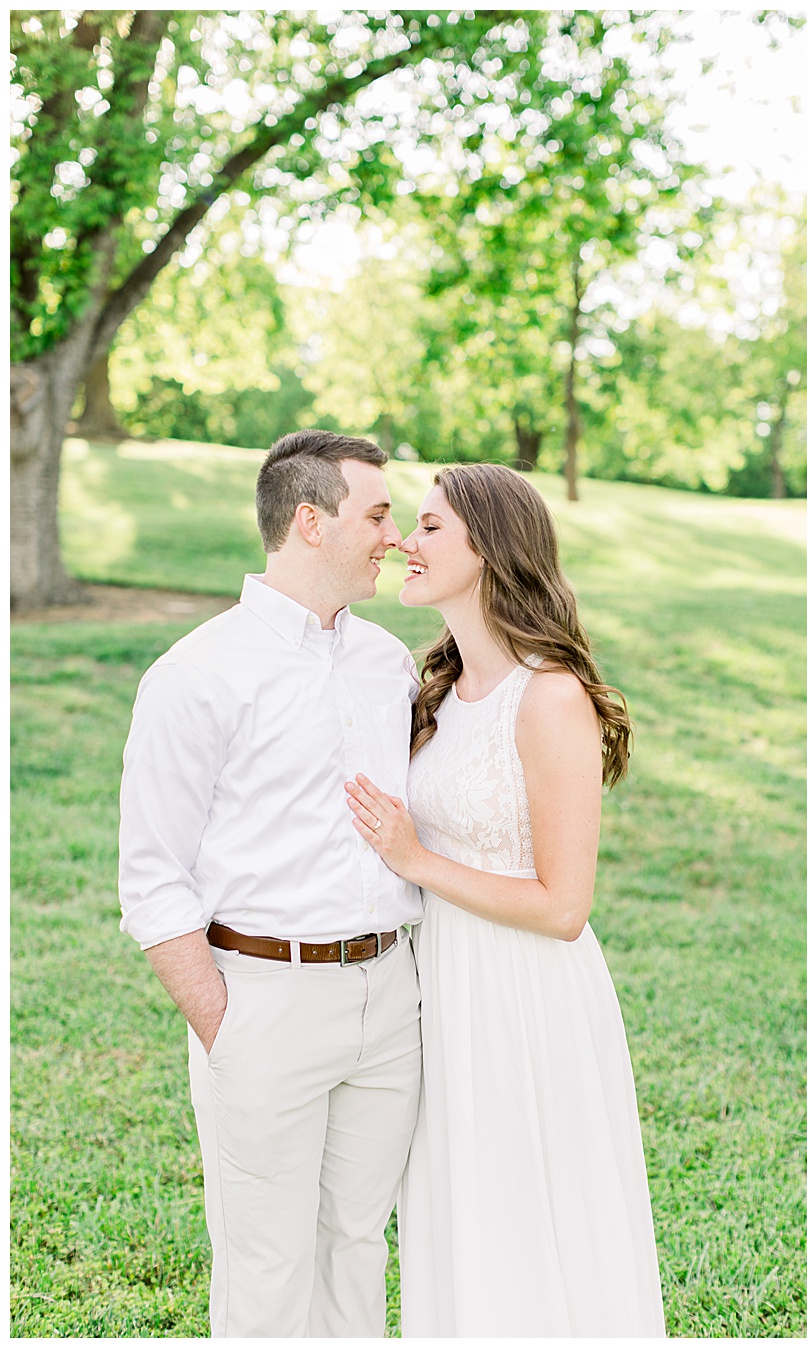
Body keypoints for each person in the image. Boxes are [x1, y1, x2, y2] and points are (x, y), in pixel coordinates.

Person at [343, 462, 664, 1336]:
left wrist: (416, 859)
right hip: (438, 985)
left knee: (529, 1214)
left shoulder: (550, 696)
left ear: (490, 547)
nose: (406, 541)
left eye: (430, 526)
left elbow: (565, 907)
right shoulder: (434, 691)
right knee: (457, 1216)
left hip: (524, 996)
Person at [119, 430, 421, 1337]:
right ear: (309, 520)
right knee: (265, 1264)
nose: (393, 535)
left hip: (389, 1000)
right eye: (375, 514)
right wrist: (225, 1021)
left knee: (357, 1247)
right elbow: (151, 875)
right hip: (261, 999)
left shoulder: (387, 664)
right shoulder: (196, 674)